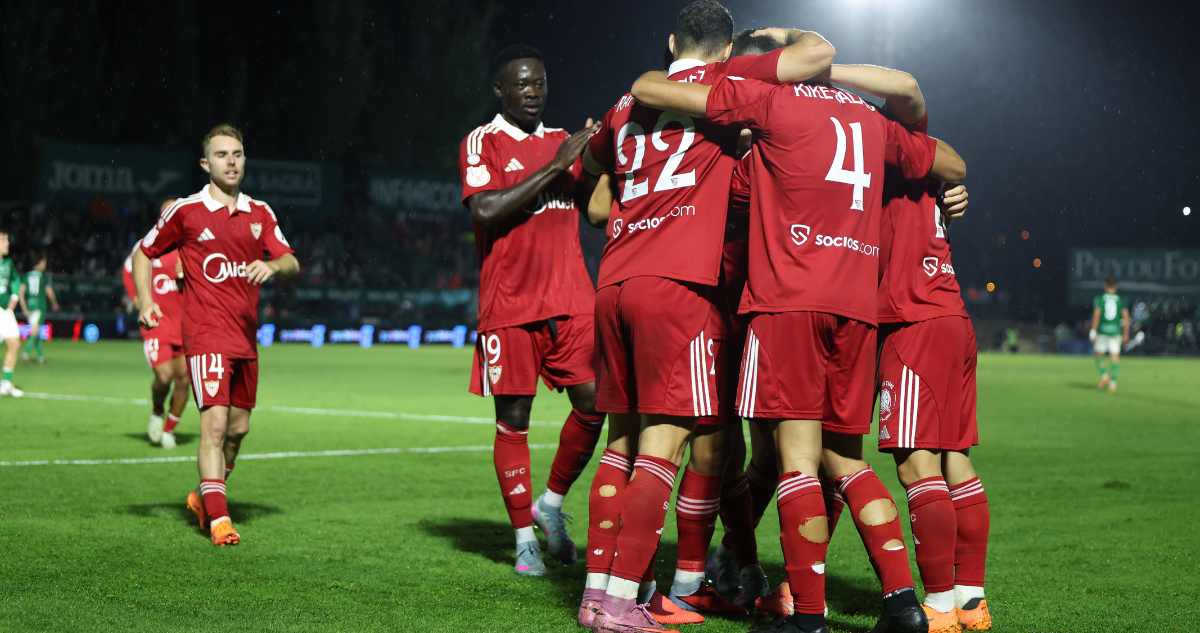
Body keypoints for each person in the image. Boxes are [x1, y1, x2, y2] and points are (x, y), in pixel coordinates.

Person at [630, 55, 966, 633]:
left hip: (784, 303)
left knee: (793, 461)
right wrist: (952, 192)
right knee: (846, 461)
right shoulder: (868, 119)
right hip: (855, 310)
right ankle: (902, 603)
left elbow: (655, 92)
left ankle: (806, 616)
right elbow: (949, 160)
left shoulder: (772, 104)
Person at [581, 3, 835, 630]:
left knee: (621, 442)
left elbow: (596, 193)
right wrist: (775, 41)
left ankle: (598, 590)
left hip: (614, 280)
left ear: (672, 42)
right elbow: (817, 55)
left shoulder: (625, 104)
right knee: (669, 447)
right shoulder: (730, 85)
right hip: (681, 287)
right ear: (726, 52)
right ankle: (623, 602)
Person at [457, 44, 606, 577]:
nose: (532, 92)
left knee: (595, 404)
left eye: (539, 83)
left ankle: (551, 502)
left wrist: (598, 164)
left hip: (572, 299)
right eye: (521, 84)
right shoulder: (482, 142)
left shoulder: (561, 140)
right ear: (500, 90)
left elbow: (595, 215)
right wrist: (557, 165)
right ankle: (524, 539)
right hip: (511, 304)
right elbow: (485, 208)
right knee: (513, 420)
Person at [864, 72, 991, 632]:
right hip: (951, 318)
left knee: (917, 465)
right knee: (955, 460)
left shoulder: (886, 162)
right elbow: (954, 167)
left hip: (912, 323)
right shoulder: (929, 167)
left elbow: (909, 96)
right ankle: (971, 600)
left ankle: (938, 604)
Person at [135, 124, 299, 546]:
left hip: (245, 339)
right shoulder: (186, 211)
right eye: (222, 155)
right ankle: (219, 521)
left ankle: (204, 496)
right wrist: (145, 301)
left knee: (238, 430)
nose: (231, 161)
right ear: (205, 164)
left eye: (237, 154)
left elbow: (291, 262)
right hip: (206, 335)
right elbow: (144, 252)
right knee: (215, 426)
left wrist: (273, 266)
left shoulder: (260, 212)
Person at [121, 208, 190, 449]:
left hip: (186, 325)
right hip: (157, 322)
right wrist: (137, 299)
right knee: (164, 376)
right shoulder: (147, 244)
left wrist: (188, 275)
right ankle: (157, 410)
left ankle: (169, 430)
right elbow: (128, 270)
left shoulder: (190, 247)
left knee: (183, 381)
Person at [18, 253, 59, 364]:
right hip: (39, 307)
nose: (44, 265)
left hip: (30, 306)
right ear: (39, 263)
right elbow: (49, 292)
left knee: (35, 331)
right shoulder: (43, 277)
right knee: (35, 332)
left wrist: (24, 309)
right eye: (43, 263)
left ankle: (41, 357)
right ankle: (26, 354)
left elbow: (21, 293)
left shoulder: (27, 276)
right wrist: (54, 303)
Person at [1090, 277, 1129, 392]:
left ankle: (1105, 376)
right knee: (1115, 358)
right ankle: (1113, 383)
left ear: (1105, 286)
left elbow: (1097, 314)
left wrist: (1093, 330)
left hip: (1103, 331)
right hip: (1116, 331)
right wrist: (1126, 333)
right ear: (1115, 286)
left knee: (1098, 356)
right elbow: (1126, 317)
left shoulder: (1100, 299)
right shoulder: (1120, 300)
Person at [0, 229, 22, 397]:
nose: (7, 243)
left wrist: (14, 296)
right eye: (3, 240)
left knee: (14, 344)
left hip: (5, 310)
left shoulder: (7, 263)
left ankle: (6, 384)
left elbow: (15, 279)